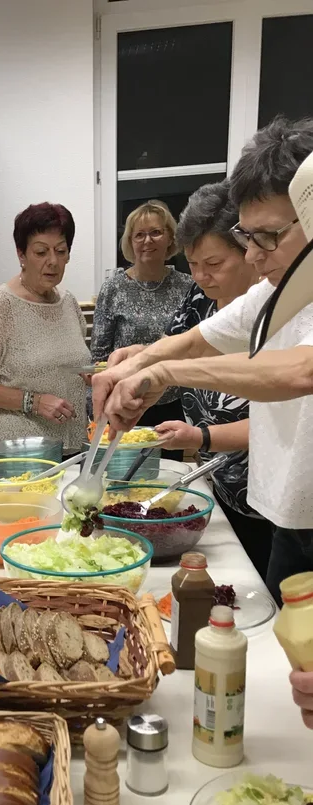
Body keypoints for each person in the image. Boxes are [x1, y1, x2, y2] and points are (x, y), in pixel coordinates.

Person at [91, 116, 313, 606]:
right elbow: (195, 339)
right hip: (288, 517)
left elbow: (301, 371)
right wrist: (129, 367)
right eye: (247, 235)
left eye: (269, 236)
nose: (254, 256)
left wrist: (163, 373)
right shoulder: (282, 288)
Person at [154, 180, 273, 578]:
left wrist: (202, 438)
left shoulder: (274, 312)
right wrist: (136, 364)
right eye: (192, 264)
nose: (202, 276)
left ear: (251, 252)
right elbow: (176, 347)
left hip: (269, 501)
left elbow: (279, 421)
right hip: (218, 488)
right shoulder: (199, 300)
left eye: (215, 263)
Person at [0, 202, 89, 455]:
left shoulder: (69, 303)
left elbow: (69, 365)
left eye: (61, 251)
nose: (53, 261)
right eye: (41, 252)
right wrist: (35, 402)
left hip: (73, 448)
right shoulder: (1, 305)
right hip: (22, 455)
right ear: (22, 255)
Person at [90, 200, 192, 433]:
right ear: (130, 242)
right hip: (124, 400)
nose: (148, 241)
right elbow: (99, 356)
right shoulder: (113, 288)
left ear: (170, 238)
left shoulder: (188, 286)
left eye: (156, 232)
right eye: (139, 235)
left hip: (173, 401)